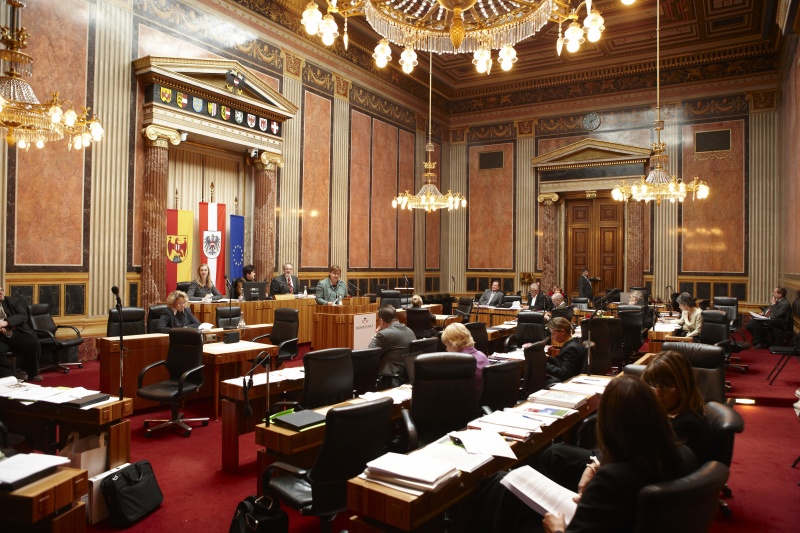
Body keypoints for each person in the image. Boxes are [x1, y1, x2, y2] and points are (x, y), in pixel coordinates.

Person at [471, 376, 697, 533]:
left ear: (610, 424)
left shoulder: (612, 480)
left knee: (501, 487)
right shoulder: (685, 455)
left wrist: (556, 528)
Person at [538, 351, 711, 495]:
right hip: (624, 464)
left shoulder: (688, 425)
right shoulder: (668, 411)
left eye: (665, 387)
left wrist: (597, 467)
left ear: (683, 385)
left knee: (556, 456)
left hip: (640, 483)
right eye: (652, 385)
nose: (657, 393)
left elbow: (643, 462)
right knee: (556, 453)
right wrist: (595, 464)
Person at [0, 286, 41, 382]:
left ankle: (33, 373)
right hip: (1, 337)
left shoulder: (13, 301)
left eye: (1, 290)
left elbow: (23, 316)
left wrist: (5, 323)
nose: (1, 293)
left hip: (15, 332)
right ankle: (9, 377)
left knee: (32, 343)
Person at [368, 305, 416, 383]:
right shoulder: (410, 330)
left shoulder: (384, 334)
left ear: (381, 321)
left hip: (390, 379)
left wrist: (376, 334)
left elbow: (370, 354)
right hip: (407, 378)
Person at [441, 322, 489, 394]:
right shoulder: (482, 355)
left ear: (453, 343)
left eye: (447, 345)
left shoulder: (460, 363)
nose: (446, 349)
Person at [545, 317, 585, 385]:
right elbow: (561, 363)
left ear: (562, 332)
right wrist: (548, 358)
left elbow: (564, 374)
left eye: (553, 334)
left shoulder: (572, 348)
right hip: (564, 378)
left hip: (566, 382)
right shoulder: (571, 343)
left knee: (535, 382)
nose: (552, 337)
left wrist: (543, 364)